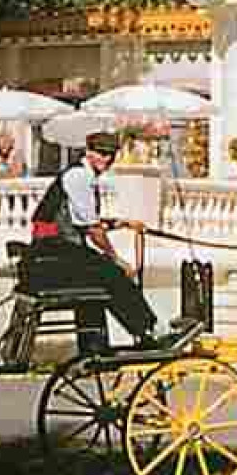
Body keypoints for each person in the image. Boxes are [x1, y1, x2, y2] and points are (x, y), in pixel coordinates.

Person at [28, 131, 190, 349]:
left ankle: (95, 344)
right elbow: (92, 229)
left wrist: (123, 224)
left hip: (58, 250)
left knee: (100, 275)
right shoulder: (79, 177)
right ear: (89, 152)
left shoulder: (82, 175)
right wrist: (117, 259)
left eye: (111, 155)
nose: (106, 159)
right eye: (102, 153)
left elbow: (83, 220)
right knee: (113, 273)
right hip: (54, 252)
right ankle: (150, 330)